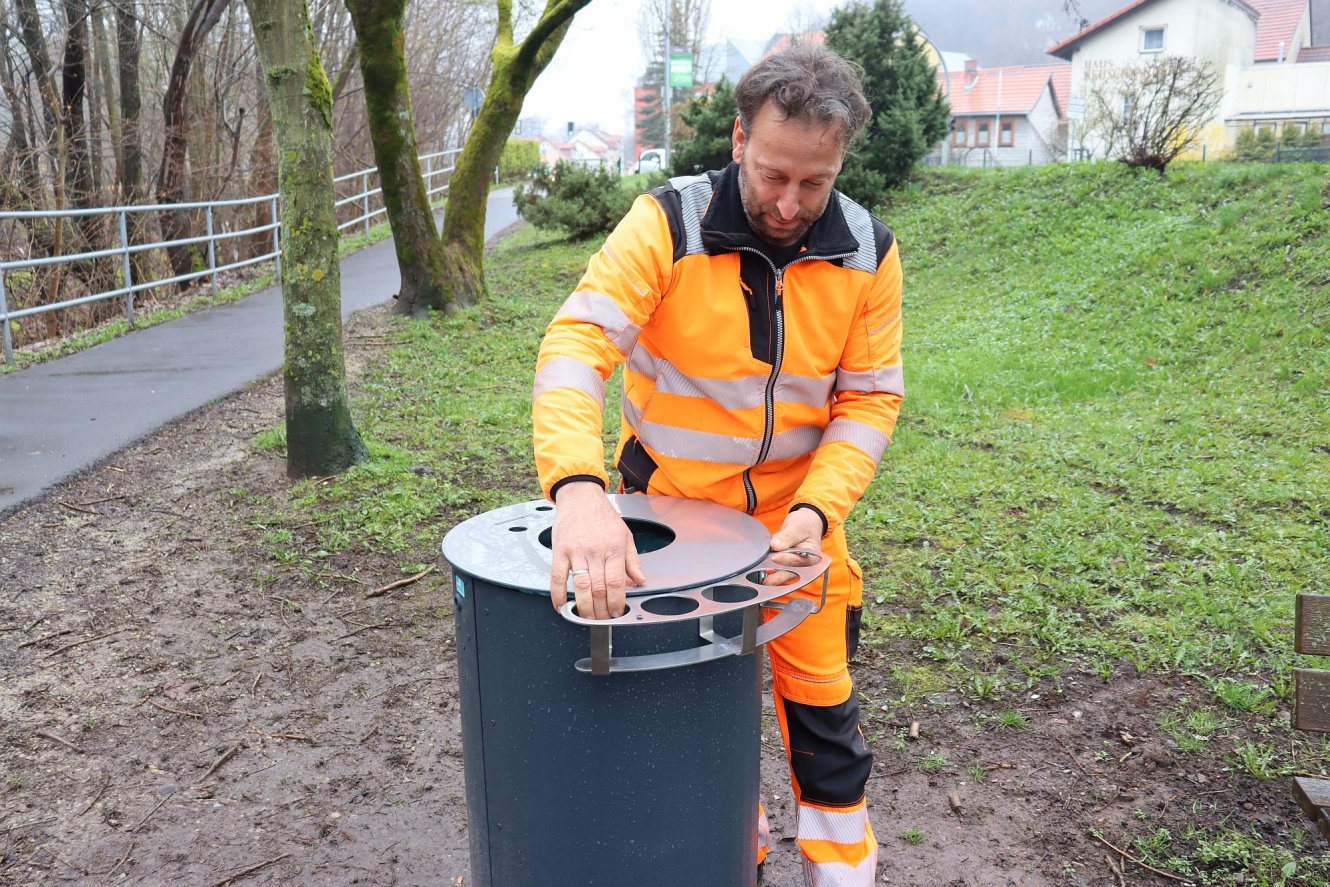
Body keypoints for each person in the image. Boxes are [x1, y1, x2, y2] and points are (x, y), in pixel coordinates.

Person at [530, 44, 903, 886]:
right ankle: (726, 857)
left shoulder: (869, 253)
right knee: (689, 718)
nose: (788, 202)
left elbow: (870, 401)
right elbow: (575, 344)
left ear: (841, 161)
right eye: (773, 174)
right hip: (670, 528)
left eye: (815, 183)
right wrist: (580, 492)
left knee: (827, 724)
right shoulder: (665, 223)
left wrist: (815, 513)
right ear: (738, 138)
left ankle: (843, 872)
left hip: (798, 535)